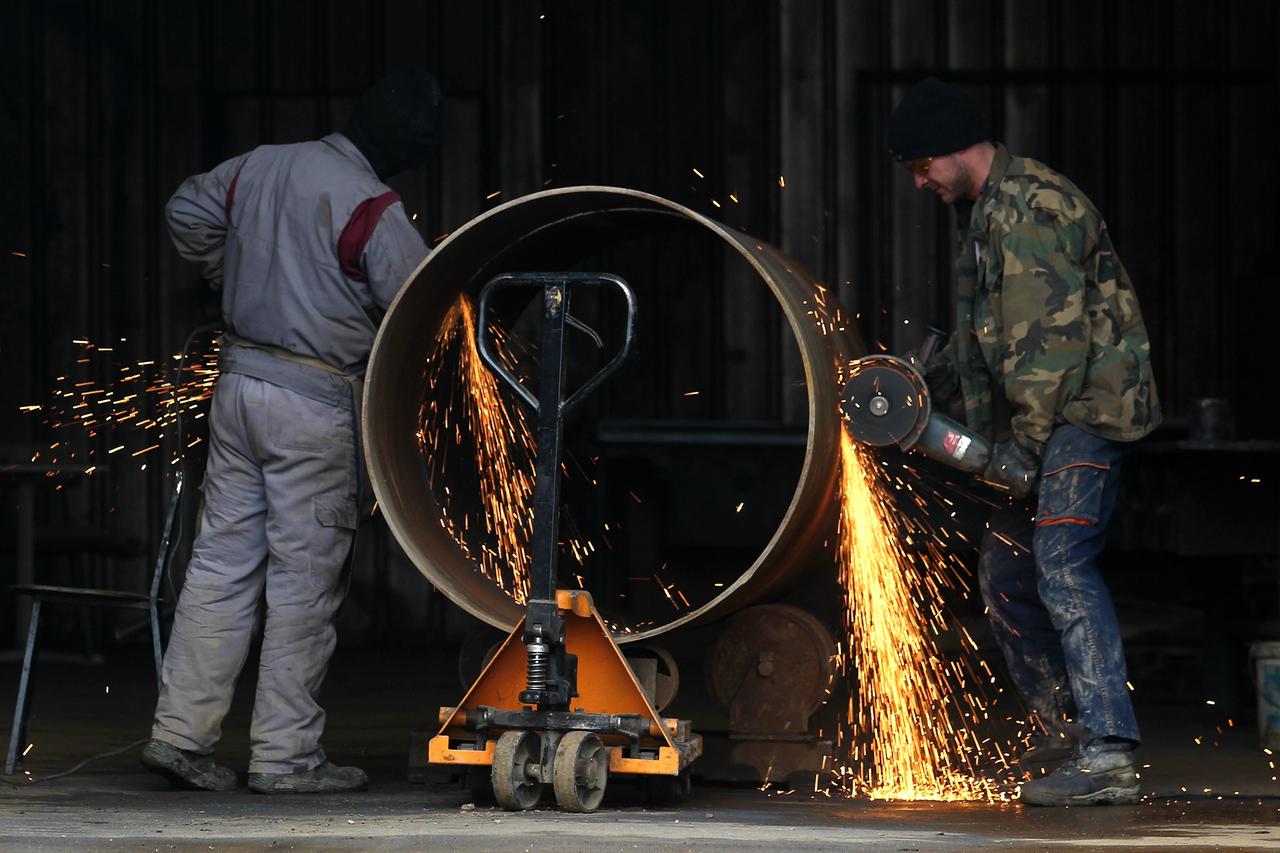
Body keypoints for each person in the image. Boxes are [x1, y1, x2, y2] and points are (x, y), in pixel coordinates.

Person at [140, 71, 440, 794]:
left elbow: (185, 209)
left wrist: (225, 271)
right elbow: (417, 304)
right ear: (399, 146)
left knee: (220, 564)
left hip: (239, 384)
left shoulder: (260, 163)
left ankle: (181, 734)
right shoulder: (373, 203)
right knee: (303, 580)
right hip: (313, 396)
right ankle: (285, 756)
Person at [886, 78, 1162, 806]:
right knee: (1006, 571)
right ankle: (1067, 729)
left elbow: (1049, 352)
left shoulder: (1033, 210)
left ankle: (1108, 752)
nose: (920, 184)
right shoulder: (989, 213)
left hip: (1085, 411)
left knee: (1061, 560)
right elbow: (993, 337)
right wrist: (924, 380)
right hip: (1045, 414)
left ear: (951, 149)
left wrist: (1025, 453)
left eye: (920, 168)